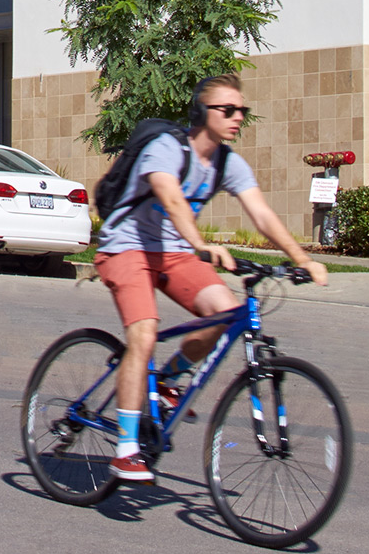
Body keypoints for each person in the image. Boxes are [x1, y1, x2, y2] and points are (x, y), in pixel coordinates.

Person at [92, 75, 327, 485]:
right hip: (126, 247)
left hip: (174, 255)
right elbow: (170, 196)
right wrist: (200, 242)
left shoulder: (227, 163)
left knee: (227, 314)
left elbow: (262, 214)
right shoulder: (166, 149)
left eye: (242, 111)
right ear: (201, 114)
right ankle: (126, 450)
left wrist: (302, 258)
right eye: (228, 110)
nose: (238, 118)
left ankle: (167, 378)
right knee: (144, 335)